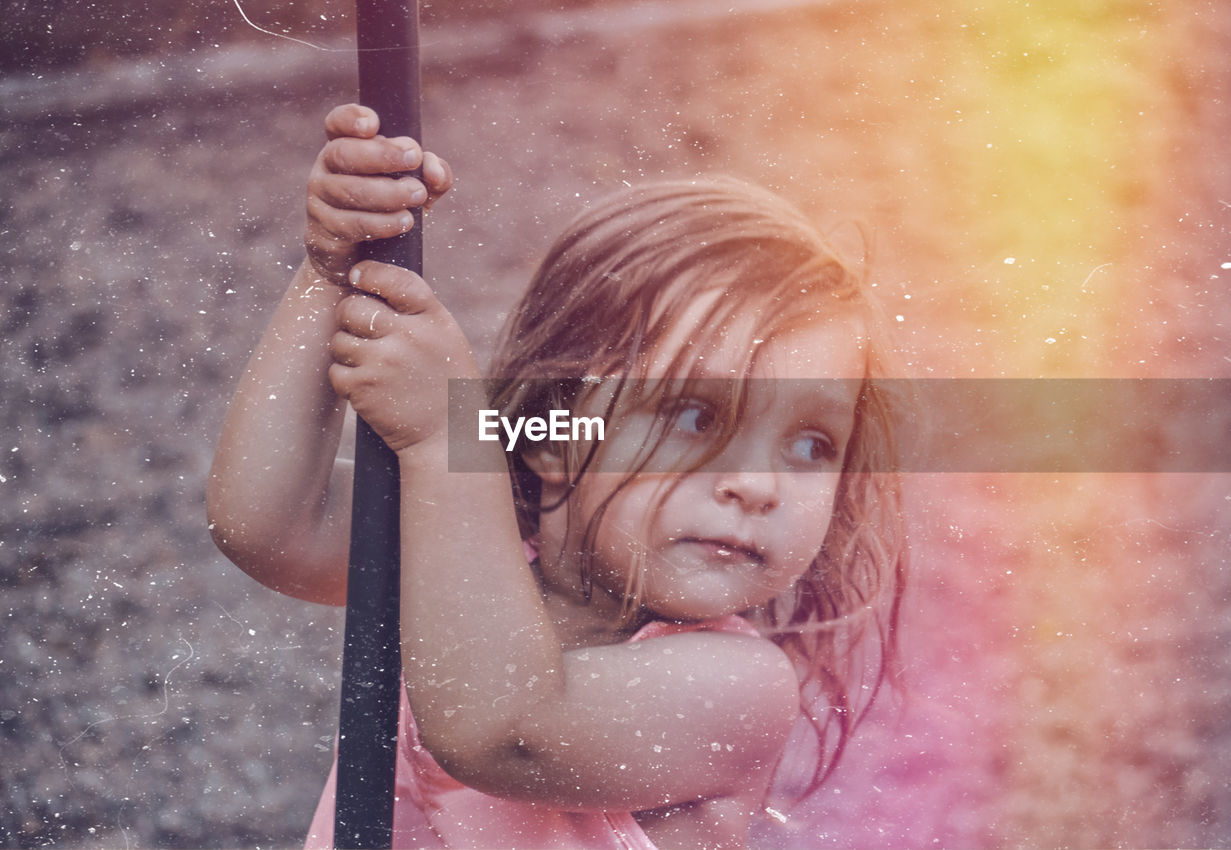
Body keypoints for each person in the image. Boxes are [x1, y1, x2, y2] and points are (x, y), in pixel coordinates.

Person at [207, 103, 906, 849]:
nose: (758, 485)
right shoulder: (471, 541)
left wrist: (451, 437)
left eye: (809, 444)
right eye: (698, 419)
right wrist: (334, 269)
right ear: (552, 431)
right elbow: (270, 524)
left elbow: (503, 730)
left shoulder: (738, 688)